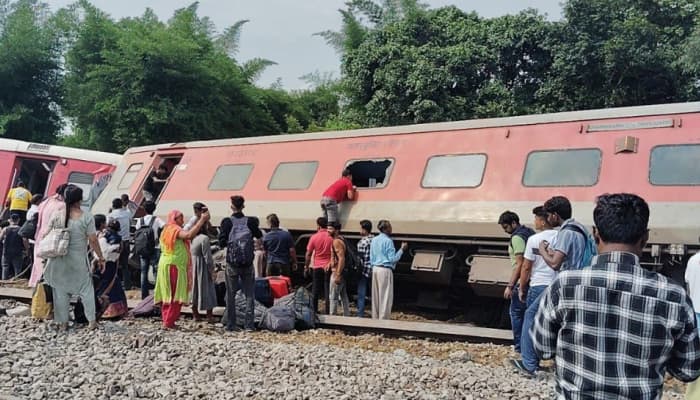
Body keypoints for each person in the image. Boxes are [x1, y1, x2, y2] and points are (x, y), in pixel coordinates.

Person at [533, 193, 700, 398]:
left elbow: (542, 349)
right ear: (645, 237)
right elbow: (689, 370)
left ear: (595, 234)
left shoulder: (564, 285)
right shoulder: (673, 296)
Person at [43, 185, 105, 331]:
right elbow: (93, 240)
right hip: (77, 259)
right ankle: (91, 322)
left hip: (58, 258)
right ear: (80, 199)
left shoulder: (57, 214)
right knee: (86, 290)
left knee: (60, 290)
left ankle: (63, 323)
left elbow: (46, 234)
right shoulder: (86, 216)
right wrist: (101, 257)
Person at [510, 206, 560, 375]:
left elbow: (526, 267)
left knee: (531, 323)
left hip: (538, 285)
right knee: (558, 324)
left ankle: (529, 363)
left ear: (541, 220)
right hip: (558, 285)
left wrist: (522, 287)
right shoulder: (561, 236)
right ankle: (558, 363)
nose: (534, 222)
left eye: (536, 219)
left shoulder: (534, 239)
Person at [154, 209, 210, 329]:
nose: (183, 220)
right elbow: (189, 235)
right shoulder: (175, 230)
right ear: (174, 219)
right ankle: (168, 322)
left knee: (168, 293)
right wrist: (201, 221)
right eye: (180, 218)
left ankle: (168, 320)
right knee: (175, 293)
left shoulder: (166, 230)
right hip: (174, 266)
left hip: (166, 264)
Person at [217, 195, 262, 332]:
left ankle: (231, 324)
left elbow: (222, 242)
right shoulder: (251, 222)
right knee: (249, 294)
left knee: (230, 294)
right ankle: (249, 325)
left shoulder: (226, 222)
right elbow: (259, 235)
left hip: (232, 264)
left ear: (232, 206)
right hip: (247, 263)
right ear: (243, 206)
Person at [498, 210, 535, 354]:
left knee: (516, 313)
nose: (505, 231)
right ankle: (530, 347)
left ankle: (520, 347)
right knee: (530, 314)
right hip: (534, 279)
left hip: (523, 280)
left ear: (514, 223)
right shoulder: (530, 233)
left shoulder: (517, 238)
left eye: (506, 227)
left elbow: (520, 264)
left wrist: (510, 285)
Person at [538, 196, 591, 271]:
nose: (548, 219)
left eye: (548, 215)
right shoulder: (579, 227)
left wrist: (542, 251)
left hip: (571, 278)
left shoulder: (566, 232)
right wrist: (554, 254)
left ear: (555, 215)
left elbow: (555, 264)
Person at [29, 184, 67, 287]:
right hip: (51, 237)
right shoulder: (61, 206)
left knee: (38, 261)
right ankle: (44, 285)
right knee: (47, 262)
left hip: (40, 234)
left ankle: (35, 283)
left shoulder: (46, 201)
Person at [369, 220, 407, 320]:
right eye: (390, 227)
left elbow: (371, 257)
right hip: (385, 269)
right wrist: (402, 250)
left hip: (375, 268)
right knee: (385, 296)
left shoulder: (374, 240)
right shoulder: (388, 241)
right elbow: (392, 259)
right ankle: (383, 320)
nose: (391, 229)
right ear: (386, 229)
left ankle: (375, 318)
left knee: (375, 296)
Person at [93, 216, 128, 319]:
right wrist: (116, 248)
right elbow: (107, 252)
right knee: (110, 286)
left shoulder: (99, 235)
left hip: (99, 263)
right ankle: (110, 311)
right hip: (108, 264)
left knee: (103, 285)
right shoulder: (111, 237)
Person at [135, 201, 165, 299]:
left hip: (143, 249)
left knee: (143, 272)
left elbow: (137, 231)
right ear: (154, 209)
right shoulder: (156, 220)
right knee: (156, 271)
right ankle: (157, 295)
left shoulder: (140, 220)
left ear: (144, 209)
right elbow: (165, 226)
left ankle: (144, 296)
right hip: (154, 248)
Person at [304, 217, 333, 315]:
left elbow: (308, 254)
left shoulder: (314, 237)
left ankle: (314, 310)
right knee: (327, 290)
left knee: (315, 290)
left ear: (318, 225)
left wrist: (306, 266)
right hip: (328, 267)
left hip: (316, 267)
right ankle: (328, 311)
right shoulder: (331, 237)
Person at [191, 223, 217, 322]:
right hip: (202, 266)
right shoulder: (205, 238)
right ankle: (209, 316)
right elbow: (207, 257)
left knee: (195, 290)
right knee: (208, 289)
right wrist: (212, 270)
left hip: (193, 266)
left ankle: (195, 314)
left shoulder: (193, 238)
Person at [108, 197, 133, 289]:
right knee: (125, 265)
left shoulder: (111, 215)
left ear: (113, 206)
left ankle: (114, 284)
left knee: (114, 264)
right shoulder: (128, 213)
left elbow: (108, 227)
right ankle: (127, 285)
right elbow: (130, 222)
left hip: (115, 242)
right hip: (126, 241)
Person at [328, 222, 350, 316]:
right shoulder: (342, 239)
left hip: (337, 272)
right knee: (343, 296)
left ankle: (333, 318)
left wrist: (337, 274)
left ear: (336, 230)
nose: (328, 231)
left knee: (333, 297)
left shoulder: (336, 241)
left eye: (330, 229)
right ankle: (346, 316)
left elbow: (341, 258)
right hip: (342, 272)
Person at [1, 214, 27, 280]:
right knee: (17, 268)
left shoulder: (5, 229)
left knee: (5, 267)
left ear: (11, 220)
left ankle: (4, 281)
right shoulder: (21, 229)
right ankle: (17, 281)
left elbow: (0, 238)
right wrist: (27, 249)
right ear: (18, 220)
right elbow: (24, 240)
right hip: (17, 251)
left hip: (6, 251)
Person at [356, 219, 374, 318]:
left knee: (361, 293)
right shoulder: (374, 239)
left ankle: (360, 314)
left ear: (364, 230)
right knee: (374, 293)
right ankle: (376, 313)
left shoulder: (362, 242)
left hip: (364, 270)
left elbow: (360, 259)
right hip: (373, 269)